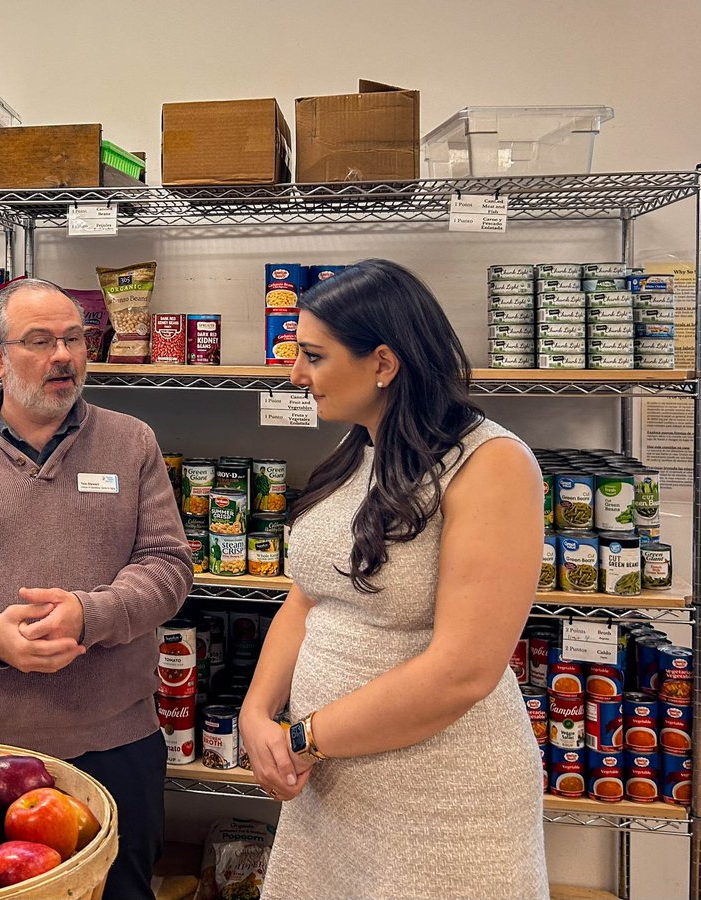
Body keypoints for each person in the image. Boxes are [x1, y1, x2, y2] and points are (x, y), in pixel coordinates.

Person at [240, 259, 548, 899]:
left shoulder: (492, 465)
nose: (295, 375)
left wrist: (305, 736)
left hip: (440, 798)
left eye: (313, 357)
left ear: (383, 363)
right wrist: (256, 710)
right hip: (331, 786)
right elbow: (308, 595)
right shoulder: (359, 447)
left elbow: (463, 671)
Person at [0, 277, 193, 899]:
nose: (63, 356)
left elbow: (167, 566)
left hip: (118, 741)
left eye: (75, 340)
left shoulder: (132, 442)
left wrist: (91, 614)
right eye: (40, 341)